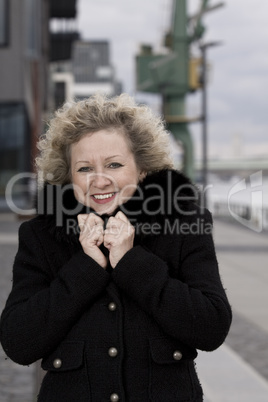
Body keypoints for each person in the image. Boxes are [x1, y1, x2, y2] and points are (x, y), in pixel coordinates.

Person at [0, 93, 232, 402]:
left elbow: (211, 327)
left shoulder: (184, 226)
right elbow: (18, 342)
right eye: (84, 169)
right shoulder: (41, 236)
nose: (100, 180)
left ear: (142, 170)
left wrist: (131, 262)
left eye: (114, 164)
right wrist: (86, 269)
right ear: (69, 177)